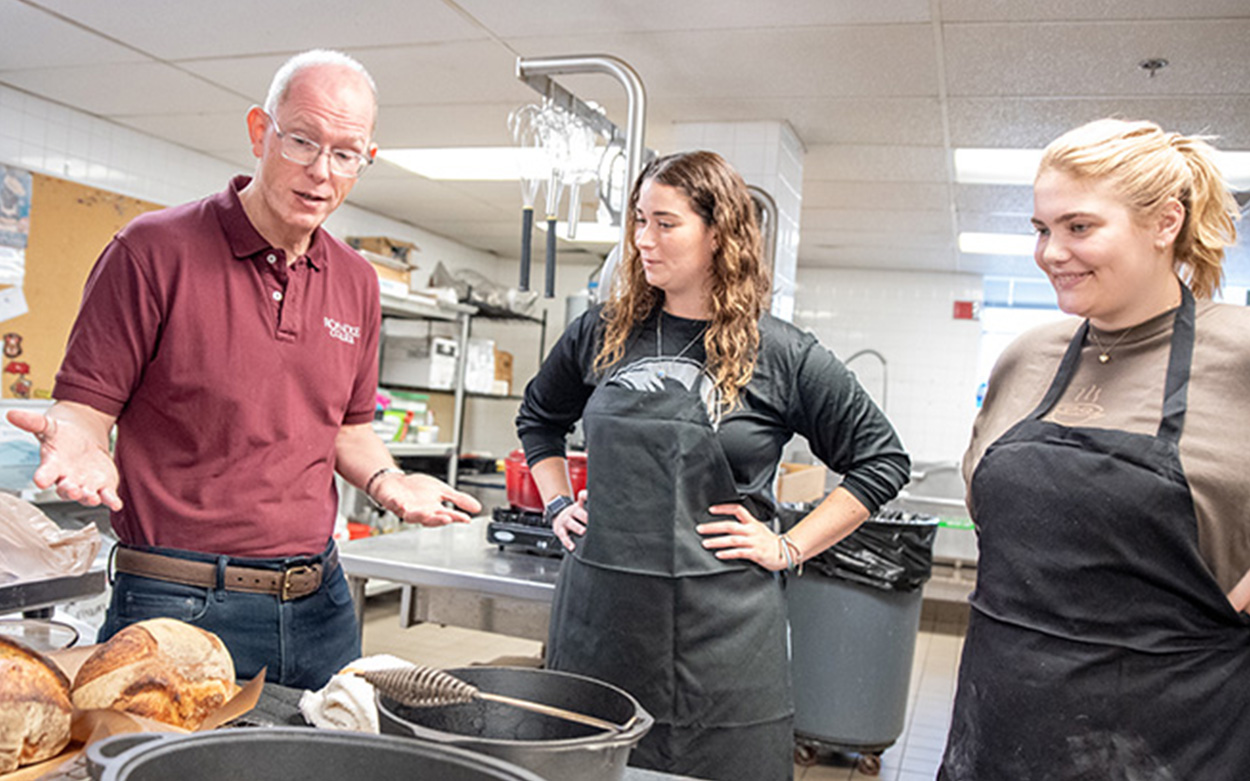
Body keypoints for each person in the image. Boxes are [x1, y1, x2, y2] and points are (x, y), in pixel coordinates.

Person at [7, 49, 480, 689]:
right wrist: (81, 443)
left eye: (346, 154)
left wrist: (391, 481)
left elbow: (347, 426)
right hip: (179, 600)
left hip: (321, 603)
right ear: (260, 131)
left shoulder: (358, 282)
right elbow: (87, 409)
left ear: (365, 162)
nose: (321, 172)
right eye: (303, 141)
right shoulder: (152, 250)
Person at [515, 150, 910, 781]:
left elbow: (880, 460)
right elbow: (539, 417)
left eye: (665, 223)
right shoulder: (603, 332)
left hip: (722, 634)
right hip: (601, 618)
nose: (643, 240)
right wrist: (559, 501)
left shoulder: (781, 353)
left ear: (718, 233)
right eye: (639, 221)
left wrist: (788, 547)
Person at [938, 119, 1250, 779]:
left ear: (1166, 222)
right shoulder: (1028, 355)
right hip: (995, 729)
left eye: (1078, 227)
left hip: (1170, 741)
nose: (1051, 252)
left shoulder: (1238, 352)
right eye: (1041, 229)